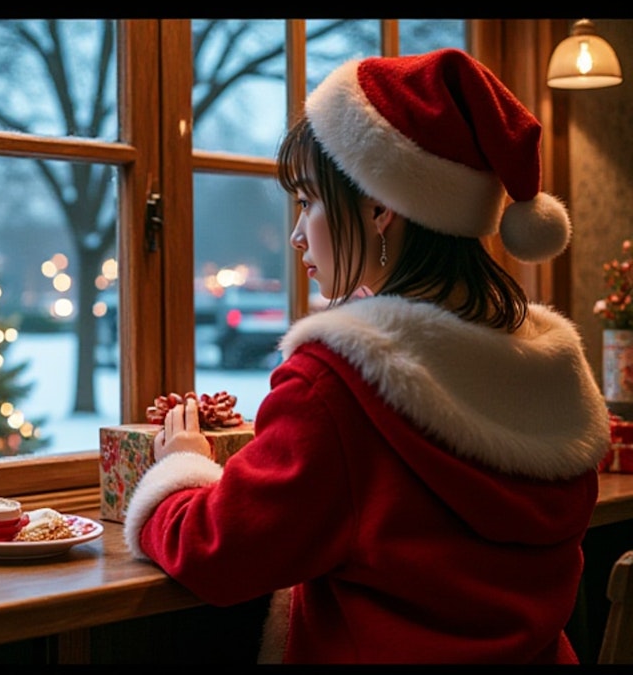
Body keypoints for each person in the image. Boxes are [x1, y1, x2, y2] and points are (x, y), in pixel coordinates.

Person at [122, 48, 611, 664]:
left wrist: (179, 472)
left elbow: (219, 551)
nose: (298, 232)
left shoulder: (340, 386)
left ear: (380, 207)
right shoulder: (552, 376)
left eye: (308, 201)